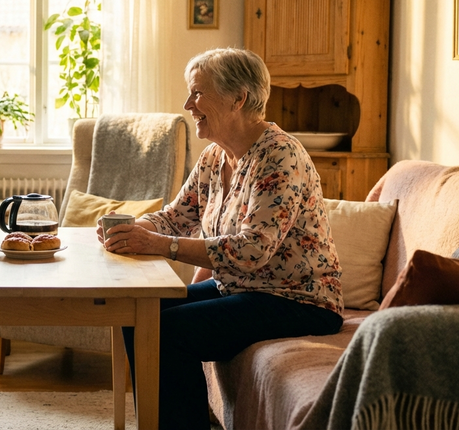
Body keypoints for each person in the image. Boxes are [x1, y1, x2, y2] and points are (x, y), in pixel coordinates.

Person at [99, 47, 343, 429]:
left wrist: (161, 245)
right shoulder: (215, 157)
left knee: (168, 332)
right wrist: (133, 228)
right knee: (138, 313)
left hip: (297, 298)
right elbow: (176, 217)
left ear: (238, 98)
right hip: (241, 288)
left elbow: (253, 250)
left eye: (198, 93)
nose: (188, 105)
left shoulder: (280, 156)